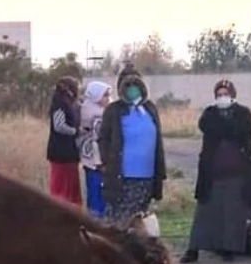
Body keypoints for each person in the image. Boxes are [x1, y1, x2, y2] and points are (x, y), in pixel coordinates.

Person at [182, 79, 251, 262]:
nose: (222, 97)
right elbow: (208, 127)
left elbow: (244, 130)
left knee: (233, 213)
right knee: (205, 213)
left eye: (226, 94)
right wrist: (225, 125)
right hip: (212, 173)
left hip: (237, 172)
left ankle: (228, 248)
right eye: (219, 94)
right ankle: (194, 248)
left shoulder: (243, 113)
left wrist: (227, 126)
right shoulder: (209, 114)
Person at [98, 66, 167, 229]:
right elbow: (103, 139)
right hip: (123, 178)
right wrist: (108, 163)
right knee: (119, 224)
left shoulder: (150, 108)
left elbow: (158, 143)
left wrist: (160, 174)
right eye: (127, 85)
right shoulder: (113, 110)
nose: (132, 89)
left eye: (135, 84)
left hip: (147, 179)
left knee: (141, 223)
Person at [46, 76, 83, 206]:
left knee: (70, 184)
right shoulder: (60, 104)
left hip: (69, 152)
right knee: (61, 186)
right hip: (61, 151)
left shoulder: (72, 104)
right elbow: (59, 126)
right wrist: (76, 131)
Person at [77, 80, 111, 216]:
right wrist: (100, 162)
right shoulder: (96, 114)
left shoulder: (86, 108)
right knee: (98, 192)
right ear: (97, 96)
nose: (108, 99)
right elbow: (99, 139)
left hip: (89, 158)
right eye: (105, 95)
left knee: (94, 191)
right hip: (95, 160)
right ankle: (97, 221)